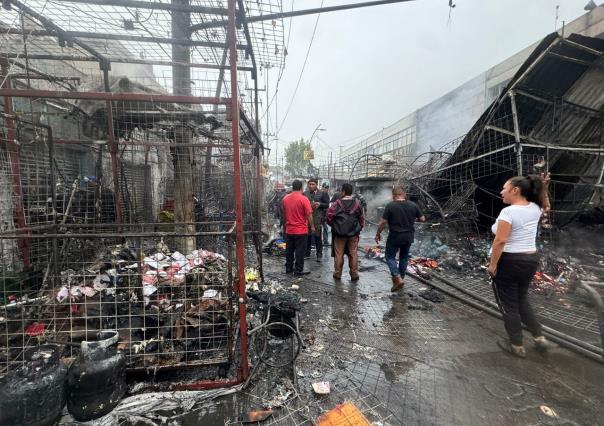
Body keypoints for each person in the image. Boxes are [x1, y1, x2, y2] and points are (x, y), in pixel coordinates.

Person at [488, 175, 554, 358]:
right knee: (522, 299)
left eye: (504, 188)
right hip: (530, 260)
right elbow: (546, 206)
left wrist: (492, 265)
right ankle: (539, 337)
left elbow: (500, 241)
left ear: (515, 190)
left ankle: (517, 345)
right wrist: (544, 188)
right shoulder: (535, 208)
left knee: (509, 305)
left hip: (509, 261)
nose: (501, 191)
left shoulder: (508, 213)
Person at [375, 187, 425, 292]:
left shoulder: (390, 206)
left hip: (395, 236)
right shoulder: (413, 205)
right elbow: (422, 219)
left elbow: (383, 222)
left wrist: (378, 234)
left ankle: (397, 277)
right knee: (404, 257)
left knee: (389, 257)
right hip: (408, 236)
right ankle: (401, 279)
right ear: (404, 194)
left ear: (393, 196)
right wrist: (412, 218)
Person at [326, 183, 364, 281]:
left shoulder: (336, 204)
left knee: (339, 254)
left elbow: (329, 217)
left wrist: (334, 226)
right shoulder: (357, 203)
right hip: (353, 234)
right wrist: (358, 228)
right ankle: (354, 274)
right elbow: (361, 218)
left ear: (343, 192)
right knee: (353, 253)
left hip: (339, 234)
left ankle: (338, 274)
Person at [282, 180, 314, 275]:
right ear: (301, 188)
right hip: (301, 230)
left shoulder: (285, 199)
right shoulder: (304, 199)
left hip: (289, 230)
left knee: (289, 250)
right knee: (300, 251)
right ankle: (298, 270)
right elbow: (309, 215)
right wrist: (312, 226)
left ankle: (288, 268)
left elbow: (284, 215)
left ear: (292, 187)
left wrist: (284, 227)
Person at [304, 178, 330, 262]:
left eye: (313, 184)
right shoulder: (305, 194)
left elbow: (327, 205)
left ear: (316, 185)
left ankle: (319, 254)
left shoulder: (322, 194)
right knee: (307, 237)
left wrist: (320, 204)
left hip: (318, 219)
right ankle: (307, 253)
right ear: (308, 185)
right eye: (310, 184)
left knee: (317, 237)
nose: (311, 186)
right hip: (307, 219)